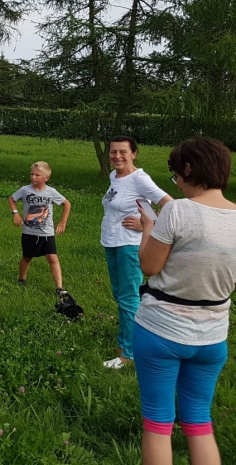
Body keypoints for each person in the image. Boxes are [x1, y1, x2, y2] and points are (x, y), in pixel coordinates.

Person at [133, 137, 236, 465]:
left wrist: (148, 227)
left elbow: (149, 266)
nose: (176, 182)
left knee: (158, 420)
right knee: (199, 420)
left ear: (188, 169)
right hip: (213, 337)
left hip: (160, 331)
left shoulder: (177, 210)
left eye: (176, 174)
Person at [100, 136, 173, 370]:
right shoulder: (115, 176)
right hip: (112, 242)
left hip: (129, 245)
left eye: (123, 152)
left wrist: (148, 225)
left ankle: (129, 353)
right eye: (113, 152)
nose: (117, 156)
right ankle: (124, 341)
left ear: (134, 154)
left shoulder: (139, 178)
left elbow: (170, 205)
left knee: (129, 297)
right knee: (120, 295)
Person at [9, 161, 71, 293]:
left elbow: (67, 204)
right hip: (29, 232)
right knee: (27, 257)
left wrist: (63, 222)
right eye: (31, 174)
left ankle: (59, 287)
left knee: (52, 258)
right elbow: (12, 199)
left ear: (46, 178)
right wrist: (15, 213)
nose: (33, 177)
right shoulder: (25, 190)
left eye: (37, 175)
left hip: (47, 233)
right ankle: (21, 278)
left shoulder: (51, 192)